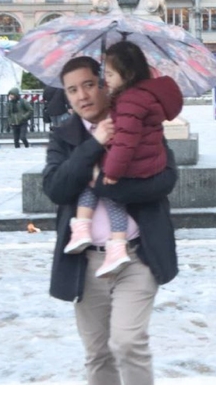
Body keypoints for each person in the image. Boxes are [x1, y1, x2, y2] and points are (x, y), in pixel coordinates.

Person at [43, 55, 178, 385]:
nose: (82, 96)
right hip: (86, 263)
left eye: (89, 85)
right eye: (72, 90)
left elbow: (165, 180)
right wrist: (94, 145)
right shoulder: (64, 136)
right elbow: (55, 188)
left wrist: (107, 181)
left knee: (128, 342)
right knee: (98, 353)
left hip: (135, 257)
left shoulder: (140, 122)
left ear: (106, 84)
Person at [64, 41, 183, 278]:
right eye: (104, 74)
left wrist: (111, 172)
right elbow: (56, 187)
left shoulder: (130, 101)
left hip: (133, 167)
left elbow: (126, 142)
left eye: (108, 74)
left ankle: (88, 230)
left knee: (102, 188)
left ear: (126, 75)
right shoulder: (140, 98)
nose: (105, 79)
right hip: (146, 163)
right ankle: (102, 237)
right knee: (103, 188)